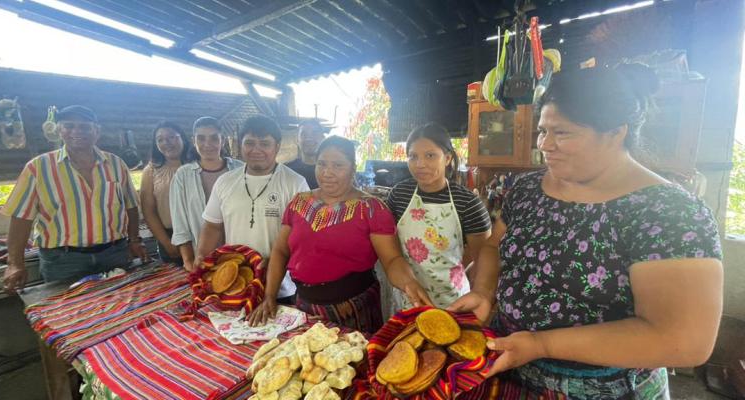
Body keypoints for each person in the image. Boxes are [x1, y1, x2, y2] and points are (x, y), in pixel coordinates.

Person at [454, 65, 723, 399]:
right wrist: (483, 291)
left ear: (616, 132)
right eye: (542, 131)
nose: (545, 145)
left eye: (562, 133)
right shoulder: (526, 189)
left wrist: (541, 343)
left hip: (606, 389)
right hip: (507, 365)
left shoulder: (669, 213)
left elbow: (684, 342)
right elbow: (494, 247)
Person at [247, 136, 433, 333]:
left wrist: (409, 282)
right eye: (322, 164)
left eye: (338, 165)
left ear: (353, 168)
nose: (327, 172)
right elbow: (280, 251)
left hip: (353, 311)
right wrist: (269, 296)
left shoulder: (371, 209)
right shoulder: (299, 203)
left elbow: (393, 259)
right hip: (304, 307)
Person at [1, 105, 148, 290]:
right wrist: (15, 263)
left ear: (97, 131)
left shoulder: (116, 165)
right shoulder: (38, 168)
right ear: (59, 130)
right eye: (69, 126)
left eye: (85, 126)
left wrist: (134, 240)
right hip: (63, 261)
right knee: (70, 314)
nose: (77, 131)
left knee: (120, 309)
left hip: (114, 255)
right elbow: (21, 217)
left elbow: (131, 206)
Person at [195, 115, 308, 304]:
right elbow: (212, 226)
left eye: (264, 143)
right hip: (234, 284)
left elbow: (301, 238)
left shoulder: (296, 184)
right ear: (240, 145)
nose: (256, 150)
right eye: (249, 143)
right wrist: (201, 256)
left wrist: (272, 261)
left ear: (277, 146)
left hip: (281, 289)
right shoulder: (225, 182)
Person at [385, 123, 493, 314]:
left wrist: (471, 288)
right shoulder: (399, 195)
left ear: (448, 158)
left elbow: (483, 258)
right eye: (413, 156)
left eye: (430, 155)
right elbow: (390, 250)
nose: (420, 164)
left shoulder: (467, 203)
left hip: (453, 302)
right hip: (408, 300)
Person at [170, 117, 243, 271]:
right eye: (201, 138)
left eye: (214, 138)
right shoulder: (183, 175)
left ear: (222, 140)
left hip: (240, 253)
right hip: (204, 258)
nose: (207, 144)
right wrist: (188, 259)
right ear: (193, 140)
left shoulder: (240, 169)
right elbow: (180, 223)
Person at [140, 121, 192, 264]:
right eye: (160, 140)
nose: (166, 143)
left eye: (171, 137)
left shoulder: (198, 165)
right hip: (170, 237)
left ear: (182, 137)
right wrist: (166, 242)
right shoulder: (151, 170)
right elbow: (148, 211)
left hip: (203, 235)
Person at [285, 119, 325, 189]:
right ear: (297, 140)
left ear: (323, 138)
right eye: (304, 134)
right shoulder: (287, 170)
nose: (309, 138)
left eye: (314, 133)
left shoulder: (331, 170)